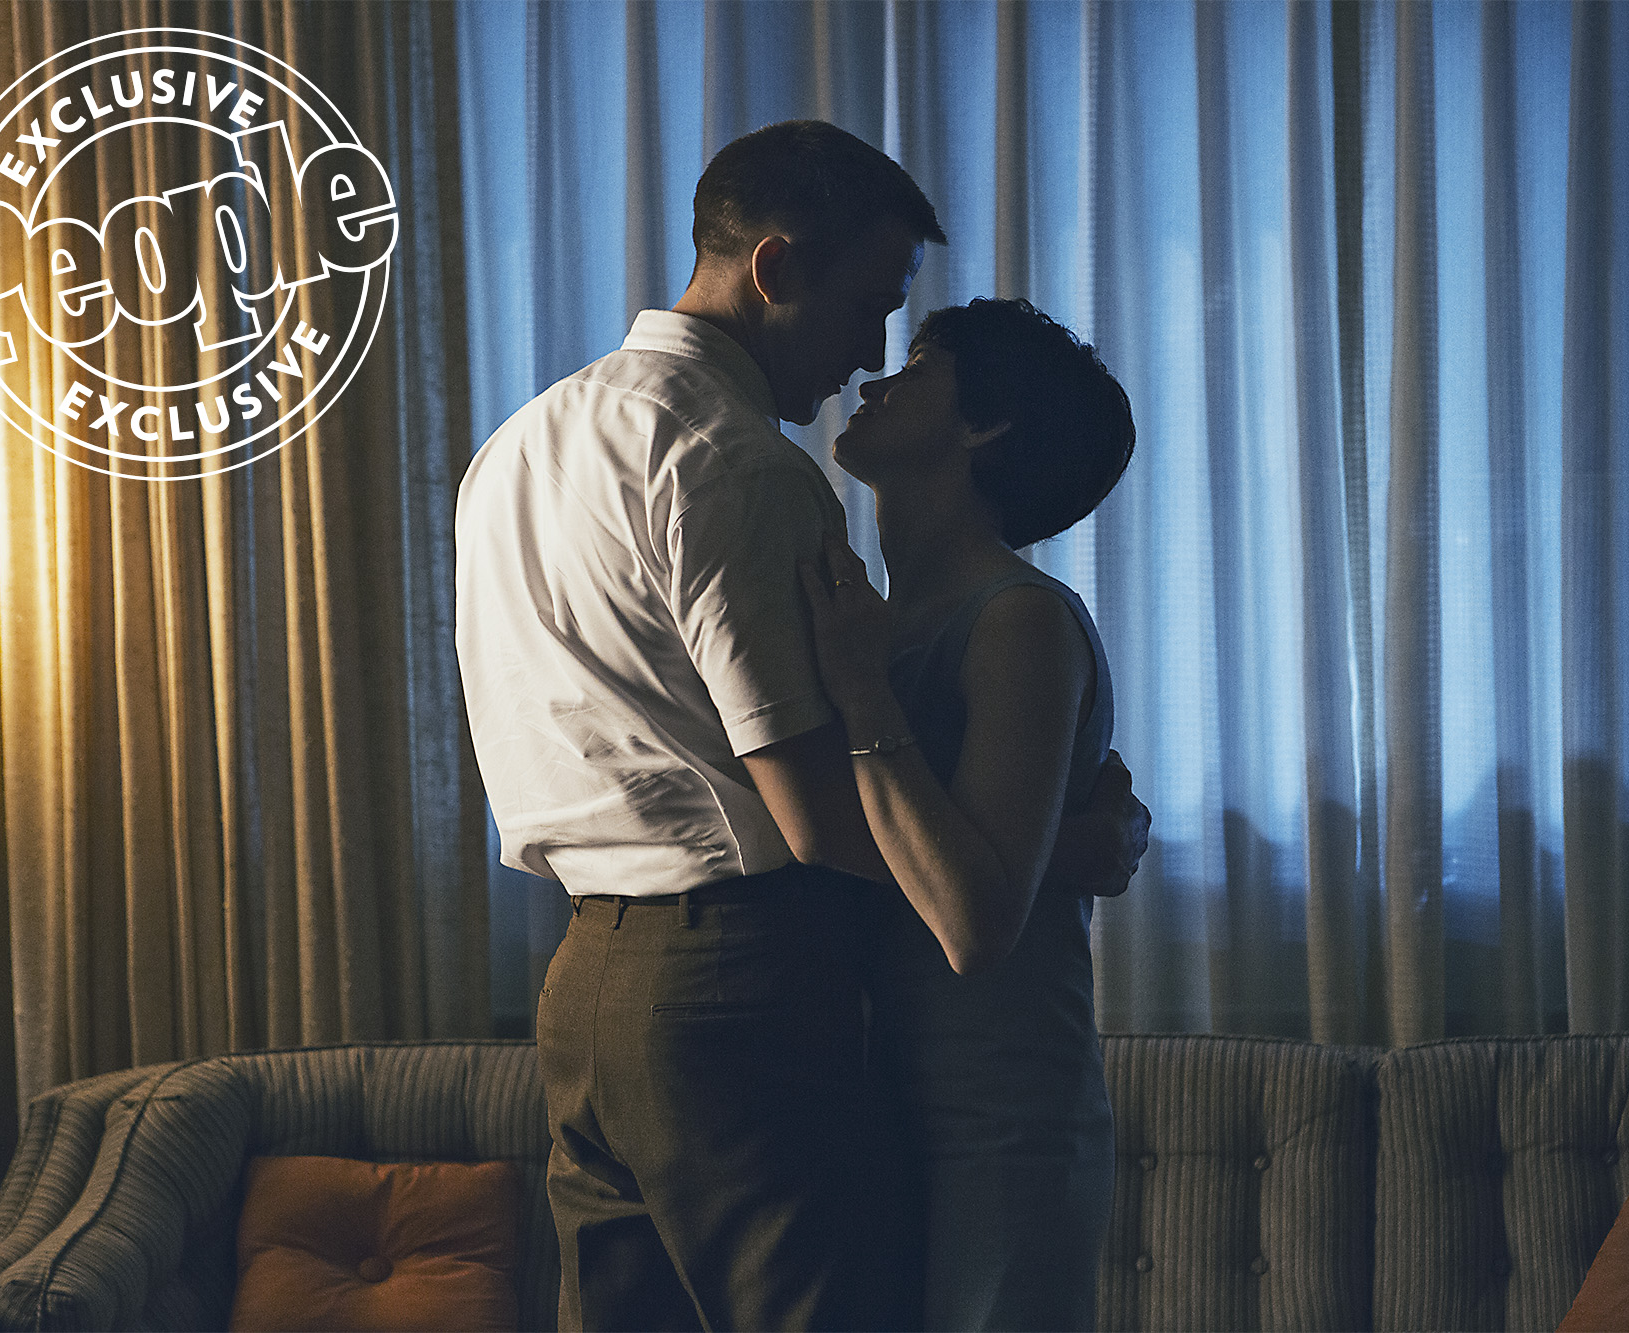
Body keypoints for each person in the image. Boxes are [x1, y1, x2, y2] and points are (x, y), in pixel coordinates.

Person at [455, 122, 1147, 1332]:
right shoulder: (738, 466)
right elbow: (826, 819)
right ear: (774, 269)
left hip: (586, 979)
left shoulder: (514, 449)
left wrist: (1028, 848)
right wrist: (1054, 854)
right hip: (734, 987)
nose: (870, 358)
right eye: (870, 308)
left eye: (907, 348)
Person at [798, 297, 1137, 1332]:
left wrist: (863, 696)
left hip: (1000, 1122)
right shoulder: (879, 620)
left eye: (917, 370)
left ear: (985, 424)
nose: (873, 383)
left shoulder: (1018, 620)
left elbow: (975, 923)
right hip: (876, 1104)